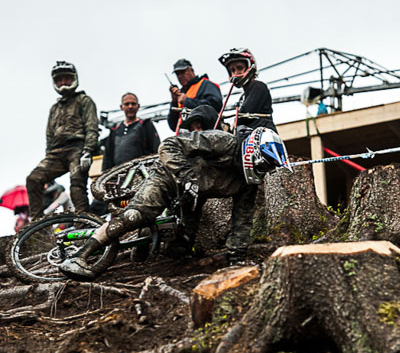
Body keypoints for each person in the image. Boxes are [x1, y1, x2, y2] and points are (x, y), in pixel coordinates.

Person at [63, 105, 286, 275]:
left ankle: (143, 242)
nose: (263, 170)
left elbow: (242, 220)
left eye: (268, 167)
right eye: (264, 163)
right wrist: (187, 177)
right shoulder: (223, 142)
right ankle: (79, 257)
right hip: (168, 177)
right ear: (253, 151)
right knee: (135, 215)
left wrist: (237, 259)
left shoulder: (249, 182)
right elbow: (168, 146)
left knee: (181, 248)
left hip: (193, 197)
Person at [26, 61, 97, 221]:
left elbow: (92, 127)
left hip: (77, 149)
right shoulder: (55, 108)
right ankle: (37, 227)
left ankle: (84, 223)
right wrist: (47, 159)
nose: (63, 82)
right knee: (33, 179)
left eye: (67, 78)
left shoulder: (84, 100)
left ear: (74, 79)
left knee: (77, 185)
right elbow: (49, 136)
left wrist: (88, 151)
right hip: (56, 153)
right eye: (60, 80)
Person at [216, 49, 273, 133]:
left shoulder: (258, 86)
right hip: (249, 139)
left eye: (239, 68)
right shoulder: (243, 97)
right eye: (232, 70)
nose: (236, 73)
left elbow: (245, 114)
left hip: (263, 138)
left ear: (249, 67)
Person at [102, 93, 160, 173]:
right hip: (118, 176)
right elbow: (107, 157)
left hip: (142, 174)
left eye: (133, 104)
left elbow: (156, 149)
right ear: (121, 107)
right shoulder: (115, 130)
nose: (130, 107)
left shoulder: (145, 125)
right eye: (127, 104)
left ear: (138, 106)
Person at [167, 58, 223, 133]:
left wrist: (187, 101)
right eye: (178, 74)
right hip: (186, 140)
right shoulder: (180, 94)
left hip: (207, 135)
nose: (180, 76)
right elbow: (173, 126)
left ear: (192, 71)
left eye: (183, 72)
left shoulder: (205, 84)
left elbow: (216, 105)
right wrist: (174, 102)